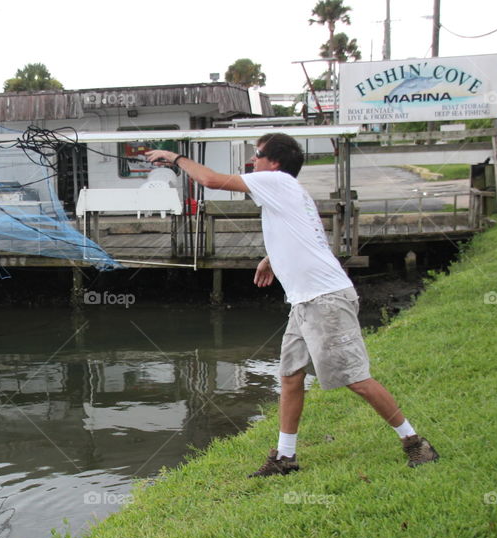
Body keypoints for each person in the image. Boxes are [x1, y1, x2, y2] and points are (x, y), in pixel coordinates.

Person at [145, 133, 439, 476]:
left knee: (356, 379)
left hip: (325, 300)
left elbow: (210, 179)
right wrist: (271, 259)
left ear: (275, 162)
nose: (252, 161)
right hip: (305, 302)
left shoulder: (276, 181)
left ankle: (416, 443)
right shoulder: (284, 189)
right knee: (289, 376)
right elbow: (301, 233)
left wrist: (175, 157)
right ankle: (285, 458)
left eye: (257, 155)